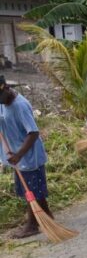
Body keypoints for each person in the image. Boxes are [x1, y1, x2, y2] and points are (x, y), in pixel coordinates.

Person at [0, 75, 53, 239]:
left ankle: (32, 225)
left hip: (28, 156)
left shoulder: (20, 106)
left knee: (31, 190)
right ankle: (47, 216)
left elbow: (33, 132)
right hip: (16, 155)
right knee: (31, 189)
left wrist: (19, 155)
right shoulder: (3, 101)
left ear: (6, 88)